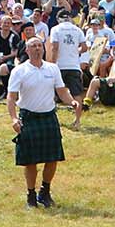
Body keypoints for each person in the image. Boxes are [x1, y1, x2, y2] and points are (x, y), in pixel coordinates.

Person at [7, 36, 77, 208]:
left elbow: (61, 91)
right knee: (30, 160)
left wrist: (72, 101)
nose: (37, 49)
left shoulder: (52, 69)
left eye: (39, 46)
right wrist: (14, 118)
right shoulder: (19, 71)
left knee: (52, 157)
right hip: (29, 118)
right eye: (33, 46)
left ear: (43, 49)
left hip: (48, 117)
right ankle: (31, 194)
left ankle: (44, 192)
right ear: (27, 50)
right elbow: (11, 97)